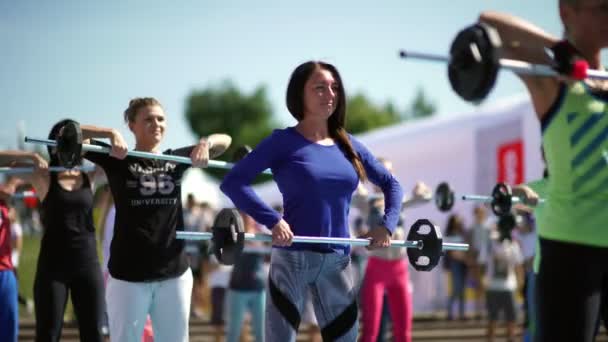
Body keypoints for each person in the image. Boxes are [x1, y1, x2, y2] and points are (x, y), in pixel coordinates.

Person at [220, 61, 403, 341]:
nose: (329, 93)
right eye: (319, 87)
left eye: (334, 88)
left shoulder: (350, 146)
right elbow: (233, 182)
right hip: (292, 258)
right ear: (299, 95)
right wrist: (273, 220)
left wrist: (387, 226)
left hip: (337, 261)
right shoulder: (282, 141)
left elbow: (392, 184)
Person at [479, 3, 608, 340]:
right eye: (601, 9)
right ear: (567, 12)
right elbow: (489, 23)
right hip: (571, 252)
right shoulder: (551, 79)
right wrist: (559, 48)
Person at [78, 97, 231, 342]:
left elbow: (225, 141)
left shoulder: (176, 160)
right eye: (148, 119)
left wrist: (205, 143)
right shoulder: (117, 158)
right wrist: (109, 133)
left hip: (174, 275)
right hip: (128, 277)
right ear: (132, 125)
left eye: (160, 118)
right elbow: (70, 133)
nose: (156, 124)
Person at [0, 120, 107, 342]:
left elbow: (114, 153)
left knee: (94, 334)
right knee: (48, 335)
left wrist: (105, 134)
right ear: (53, 144)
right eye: (62, 138)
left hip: (87, 266)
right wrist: (31, 157)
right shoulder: (44, 176)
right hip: (53, 268)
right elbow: (3, 160)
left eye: (72, 139)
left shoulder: (91, 175)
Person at [225, 211, 267, 342]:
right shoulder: (232, 234)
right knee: (234, 331)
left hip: (258, 289)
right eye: (243, 214)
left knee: (261, 332)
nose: (246, 217)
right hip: (238, 288)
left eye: (248, 214)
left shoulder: (261, 233)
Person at [485, 213, 524, 342]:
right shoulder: (490, 243)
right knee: (492, 320)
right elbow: (482, 262)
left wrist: (520, 284)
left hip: (509, 287)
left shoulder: (513, 245)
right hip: (493, 287)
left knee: (512, 321)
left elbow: (518, 266)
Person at [0, 178, 20, 342]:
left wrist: (13, 182)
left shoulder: (3, 202)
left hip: (5, 272)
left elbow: (21, 168)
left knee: (8, 331)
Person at [444, 214, 469, 321]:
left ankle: (461, 313)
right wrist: (463, 258)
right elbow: (451, 252)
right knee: (456, 289)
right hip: (455, 263)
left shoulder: (463, 233)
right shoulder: (450, 234)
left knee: (462, 290)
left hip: (463, 264)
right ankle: (450, 313)